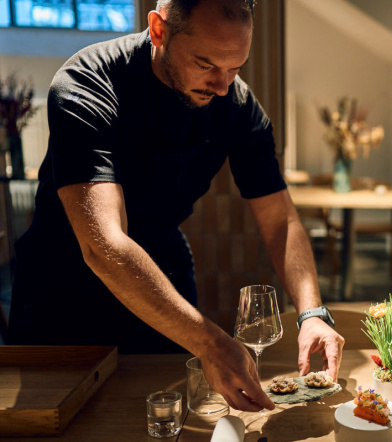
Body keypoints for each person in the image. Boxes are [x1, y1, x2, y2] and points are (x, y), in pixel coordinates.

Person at [7, 0, 344, 412]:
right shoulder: (87, 83)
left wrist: (312, 311)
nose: (222, 86)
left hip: (161, 274)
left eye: (235, 68)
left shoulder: (237, 106)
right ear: (159, 30)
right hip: (64, 285)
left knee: (169, 416)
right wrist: (209, 340)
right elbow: (104, 246)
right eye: (206, 65)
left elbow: (280, 221)